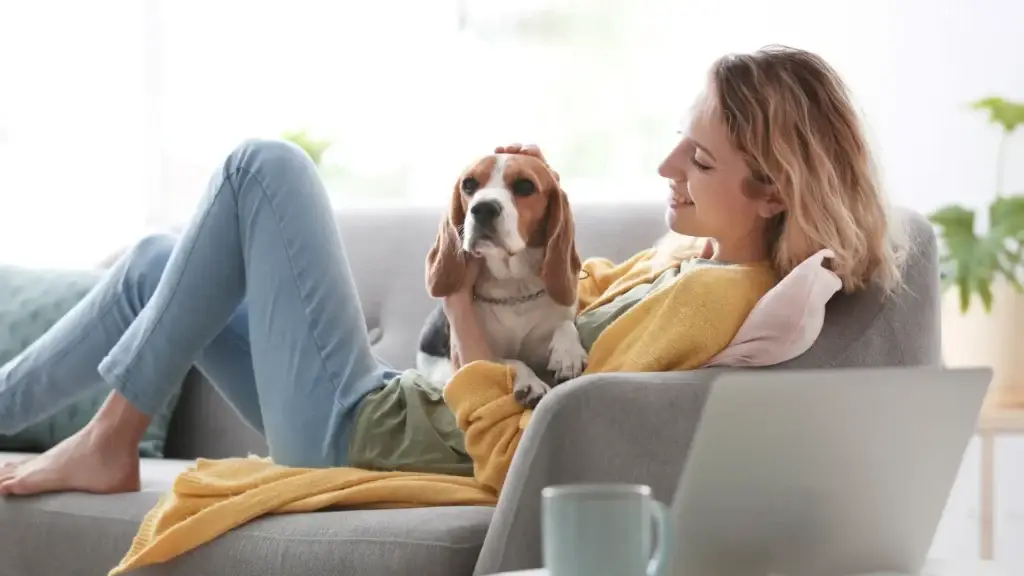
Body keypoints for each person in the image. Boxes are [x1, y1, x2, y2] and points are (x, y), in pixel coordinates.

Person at [0, 45, 904, 497]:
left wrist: (465, 299)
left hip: (363, 429)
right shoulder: (690, 260)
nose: (668, 167)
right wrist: (526, 232)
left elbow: (522, 457)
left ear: (774, 189)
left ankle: (111, 440)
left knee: (261, 167)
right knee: (158, 258)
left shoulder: (714, 300)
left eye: (698, 161)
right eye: (679, 140)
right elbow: (572, 309)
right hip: (379, 405)